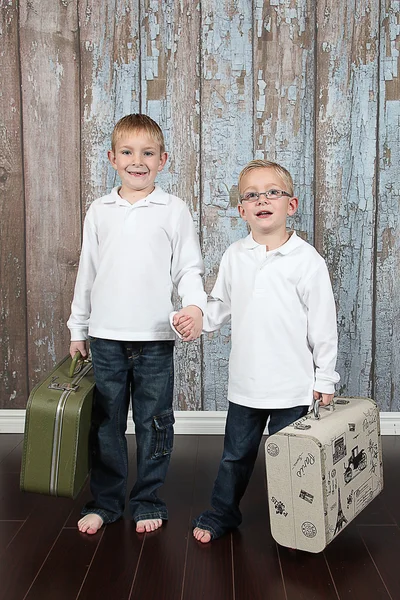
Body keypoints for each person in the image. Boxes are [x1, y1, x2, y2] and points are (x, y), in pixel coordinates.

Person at [173, 159, 340, 543]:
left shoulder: (307, 262)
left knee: (294, 465)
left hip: (293, 388)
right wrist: (197, 318)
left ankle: (300, 524)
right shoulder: (235, 256)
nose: (262, 200)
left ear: (291, 205)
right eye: (252, 195)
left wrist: (324, 377)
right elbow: (220, 305)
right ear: (242, 209)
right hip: (246, 386)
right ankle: (222, 513)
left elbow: (324, 327)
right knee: (235, 458)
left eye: (272, 193)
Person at [67, 114, 205, 535]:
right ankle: (106, 502)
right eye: (127, 152)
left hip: (155, 340)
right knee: (105, 424)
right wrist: (78, 328)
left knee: (155, 422)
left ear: (163, 160)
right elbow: (87, 272)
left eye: (148, 153)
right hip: (106, 337)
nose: (137, 160)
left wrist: (195, 307)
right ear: (112, 158)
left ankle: (147, 499)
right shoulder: (100, 211)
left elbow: (188, 268)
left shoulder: (173, 210)